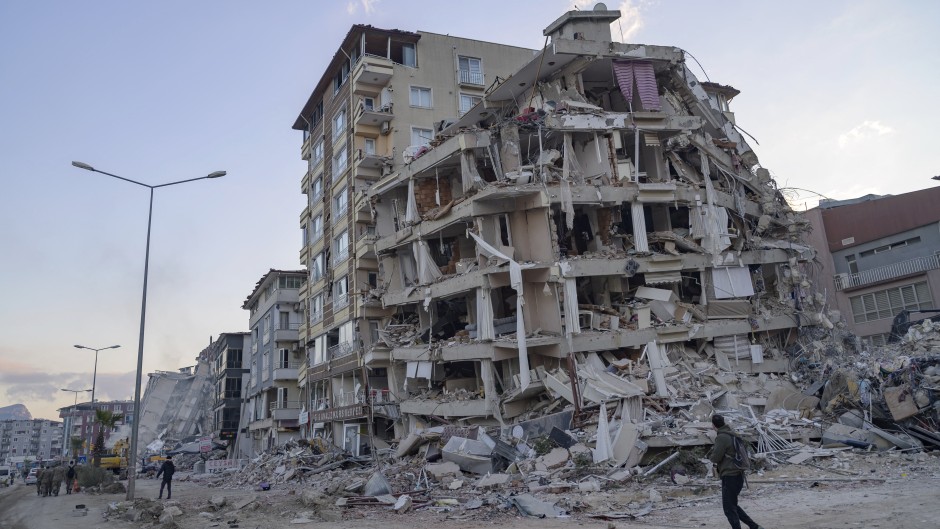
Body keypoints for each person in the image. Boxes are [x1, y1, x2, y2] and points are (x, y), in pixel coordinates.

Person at [709, 415, 764, 529]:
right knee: (732, 505)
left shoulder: (722, 437)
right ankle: (754, 526)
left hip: (730, 476)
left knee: (729, 509)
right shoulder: (732, 434)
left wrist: (711, 455)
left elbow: (715, 458)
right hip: (738, 475)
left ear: (713, 425)